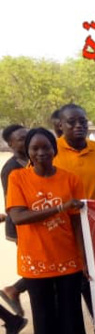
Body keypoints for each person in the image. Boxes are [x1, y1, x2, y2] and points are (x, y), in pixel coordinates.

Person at [6, 128, 92, 334]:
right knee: (44, 319)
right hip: (36, 261)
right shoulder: (18, 178)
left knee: (71, 316)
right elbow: (18, 217)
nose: (41, 153)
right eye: (35, 148)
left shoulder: (70, 179)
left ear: (55, 150)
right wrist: (58, 208)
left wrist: (83, 257)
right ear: (28, 152)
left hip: (67, 258)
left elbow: (77, 222)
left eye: (46, 148)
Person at [53, 104, 95, 317]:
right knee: (70, 282)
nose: (79, 126)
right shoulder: (49, 151)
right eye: (72, 122)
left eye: (83, 122)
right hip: (62, 228)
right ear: (60, 125)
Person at [0, 125, 29, 316]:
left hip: (37, 221)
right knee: (37, 265)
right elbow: (13, 204)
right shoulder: (10, 169)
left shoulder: (32, 159)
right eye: (21, 139)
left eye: (27, 136)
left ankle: (15, 289)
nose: (26, 141)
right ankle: (14, 289)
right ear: (10, 144)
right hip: (23, 225)